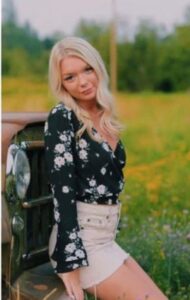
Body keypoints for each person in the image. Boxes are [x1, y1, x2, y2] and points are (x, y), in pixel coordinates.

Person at [44, 37, 168, 300]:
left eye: (87, 69)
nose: (83, 82)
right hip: (81, 242)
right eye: (70, 77)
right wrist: (70, 259)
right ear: (62, 84)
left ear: (98, 67)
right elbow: (61, 189)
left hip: (105, 239)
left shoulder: (104, 115)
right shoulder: (62, 116)